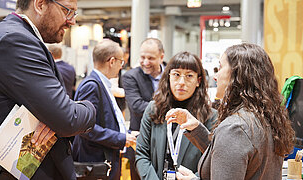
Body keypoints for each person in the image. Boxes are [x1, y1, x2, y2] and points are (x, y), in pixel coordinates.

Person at [0, 0, 96, 179]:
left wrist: (58, 114)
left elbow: (60, 115)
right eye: (67, 11)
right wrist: (88, 107)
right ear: (40, 4)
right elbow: (67, 119)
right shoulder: (14, 40)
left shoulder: (18, 36)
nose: (72, 21)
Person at [166, 43, 295, 180]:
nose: (215, 76)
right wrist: (196, 128)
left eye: (220, 67)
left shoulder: (235, 128)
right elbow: (228, 157)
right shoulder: (265, 117)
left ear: (237, 74)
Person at [135, 52, 217, 179]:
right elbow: (142, 153)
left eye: (189, 75)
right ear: (168, 77)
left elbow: (212, 159)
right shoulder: (153, 109)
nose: (181, 82)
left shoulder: (210, 116)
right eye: (176, 74)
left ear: (198, 81)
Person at [72, 39, 138, 180]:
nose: (121, 66)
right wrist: (120, 138)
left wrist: (127, 134)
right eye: (121, 62)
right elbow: (85, 128)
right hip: (95, 163)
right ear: (112, 61)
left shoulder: (101, 84)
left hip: (104, 160)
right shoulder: (91, 86)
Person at [122, 38, 165, 180]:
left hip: (168, 143)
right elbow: (137, 106)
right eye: (142, 57)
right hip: (141, 143)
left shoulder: (172, 75)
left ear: (161, 57)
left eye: (151, 58)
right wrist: (169, 107)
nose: (145, 62)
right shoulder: (130, 77)